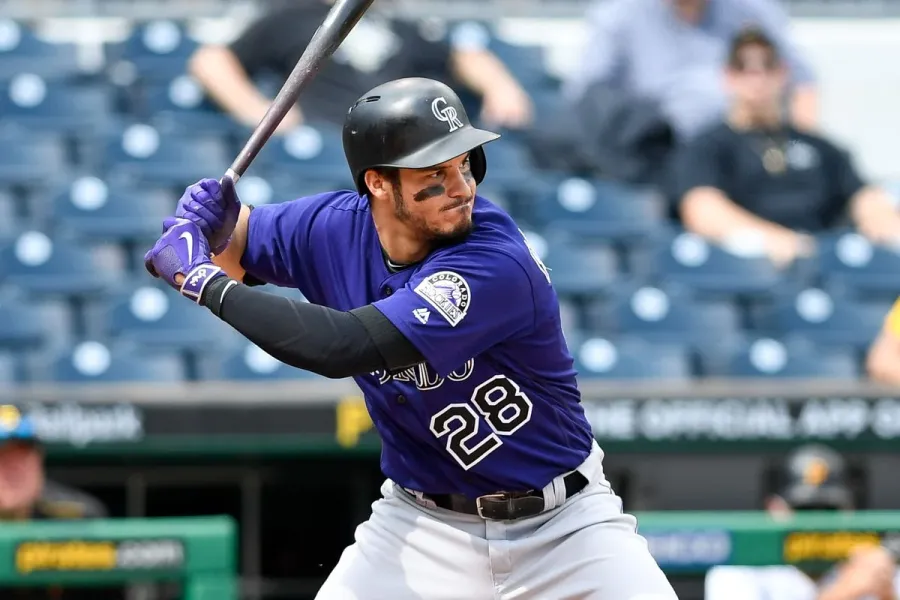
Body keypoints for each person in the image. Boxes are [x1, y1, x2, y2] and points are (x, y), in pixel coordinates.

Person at [143, 77, 677, 599]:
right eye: (435, 171)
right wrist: (208, 228)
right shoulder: (331, 228)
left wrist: (202, 280)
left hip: (565, 529)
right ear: (378, 183)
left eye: (464, 163)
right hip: (424, 525)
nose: (461, 186)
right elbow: (235, 244)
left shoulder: (494, 261)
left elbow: (341, 347)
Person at [670, 27, 900, 269]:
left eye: (767, 65)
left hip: (825, 261)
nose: (757, 77)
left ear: (783, 73)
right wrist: (774, 240)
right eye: (743, 67)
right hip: (748, 267)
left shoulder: (817, 146)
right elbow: (702, 209)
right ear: (727, 76)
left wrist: (883, 219)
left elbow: (863, 195)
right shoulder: (709, 146)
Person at [189, 0, 532, 133]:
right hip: (328, 142)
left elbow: (460, 57)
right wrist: (260, 112)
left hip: (401, 144)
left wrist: (501, 87)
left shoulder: (397, 24)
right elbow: (210, 60)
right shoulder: (292, 16)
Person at [563, 0, 818, 141]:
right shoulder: (619, 15)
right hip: (651, 152)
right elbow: (586, 99)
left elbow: (802, 83)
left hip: (743, 152)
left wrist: (798, 151)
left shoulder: (753, 10)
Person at [705, 444, 900, 600]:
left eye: (828, 510)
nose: (816, 523)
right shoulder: (738, 571)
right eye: (804, 510)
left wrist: (887, 595)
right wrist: (844, 592)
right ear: (774, 509)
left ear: (849, 512)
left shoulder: (874, 568)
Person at [0, 405, 106, 522]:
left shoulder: (80, 517)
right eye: (2, 456)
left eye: (23, 454)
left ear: (39, 458)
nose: (13, 467)